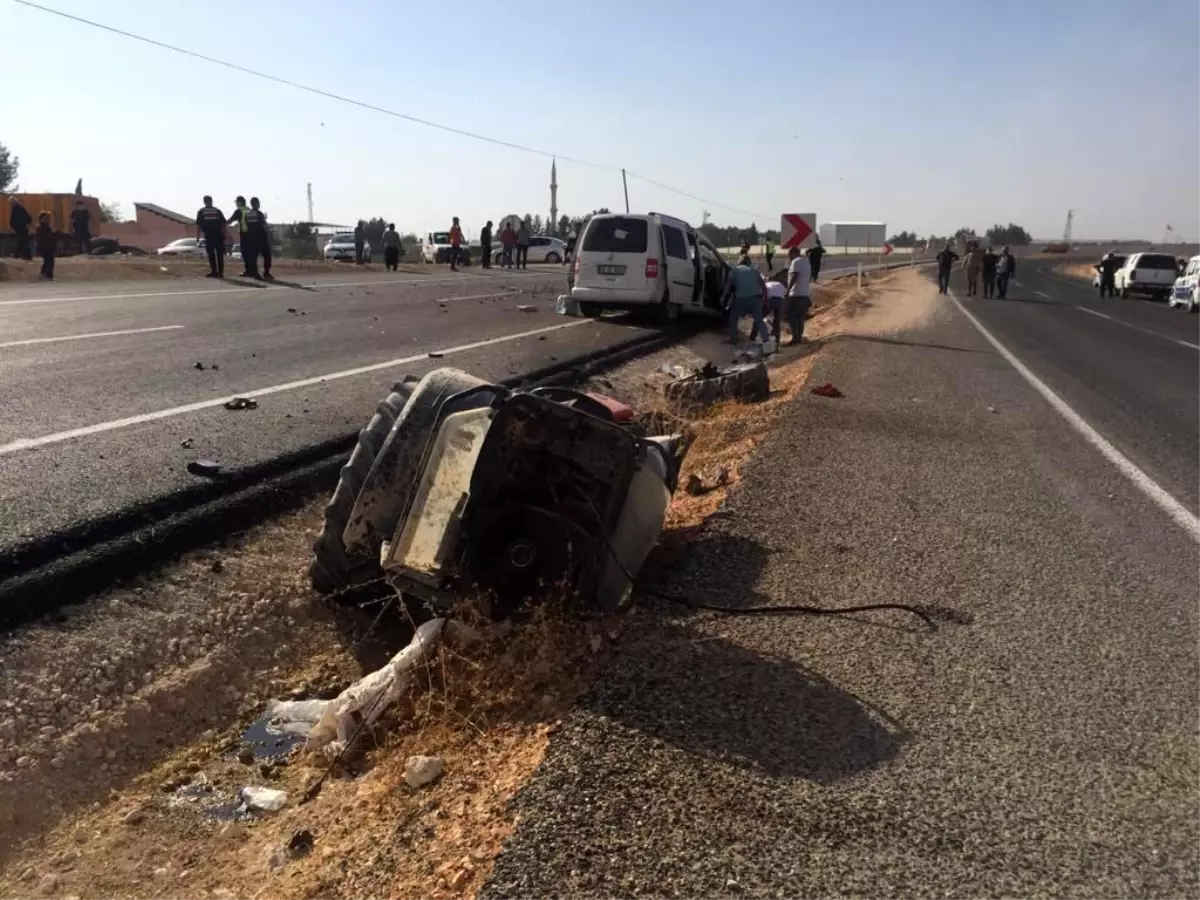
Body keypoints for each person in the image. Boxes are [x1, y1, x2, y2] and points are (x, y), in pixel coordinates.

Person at [723, 254, 768, 345]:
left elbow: (728, 285)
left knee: (733, 317)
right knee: (759, 320)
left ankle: (733, 339)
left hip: (741, 300)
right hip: (756, 299)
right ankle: (767, 341)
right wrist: (764, 298)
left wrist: (723, 297)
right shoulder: (754, 270)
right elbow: (763, 285)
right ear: (749, 262)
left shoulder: (735, 270)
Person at [785, 246, 813, 345]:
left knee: (791, 316)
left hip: (796, 294)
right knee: (800, 317)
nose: (789, 257)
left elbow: (794, 276)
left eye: (789, 254)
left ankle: (795, 338)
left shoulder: (795, 262)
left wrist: (787, 291)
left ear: (793, 253)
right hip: (805, 294)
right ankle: (799, 338)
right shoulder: (806, 262)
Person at [195, 195, 227, 277]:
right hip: (216, 235)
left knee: (213, 254)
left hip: (210, 235)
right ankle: (219, 272)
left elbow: (199, 225)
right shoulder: (217, 211)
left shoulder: (202, 211)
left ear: (204, 202)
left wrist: (198, 236)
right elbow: (223, 224)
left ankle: (215, 272)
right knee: (217, 254)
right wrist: (224, 235)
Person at [227, 196, 257, 278]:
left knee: (246, 253)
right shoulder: (249, 210)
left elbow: (230, 220)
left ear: (240, 202)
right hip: (253, 234)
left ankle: (249, 271)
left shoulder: (239, 211)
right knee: (252, 253)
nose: (236, 204)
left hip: (245, 234)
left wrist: (221, 225)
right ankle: (254, 271)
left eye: (237, 202)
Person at [247, 198, 272, 279]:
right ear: (256, 204)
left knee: (253, 256)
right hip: (261, 237)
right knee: (267, 256)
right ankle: (266, 273)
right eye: (258, 203)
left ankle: (255, 274)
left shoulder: (248, 214)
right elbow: (264, 225)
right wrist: (268, 234)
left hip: (251, 237)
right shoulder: (259, 213)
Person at [765, 274, 787, 343]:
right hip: (781, 301)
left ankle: (753, 337)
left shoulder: (766, 284)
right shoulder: (780, 284)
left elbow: (763, 295)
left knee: (759, 318)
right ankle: (777, 340)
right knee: (777, 321)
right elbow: (786, 295)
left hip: (770, 300)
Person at [8, 196, 32, 260]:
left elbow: (13, 218)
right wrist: (28, 223)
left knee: (22, 241)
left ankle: (22, 255)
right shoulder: (22, 207)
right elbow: (28, 217)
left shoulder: (15, 208)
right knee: (23, 241)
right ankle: (20, 254)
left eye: (10, 202)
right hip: (24, 227)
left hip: (19, 227)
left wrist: (11, 225)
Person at [35, 211, 56, 279]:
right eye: (46, 217)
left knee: (48, 260)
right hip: (45, 246)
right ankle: (48, 275)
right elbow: (43, 238)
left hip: (47, 246)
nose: (48, 219)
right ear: (42, 218)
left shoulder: (46, 226)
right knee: (49, 261)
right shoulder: (42, 227)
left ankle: (43, 273)